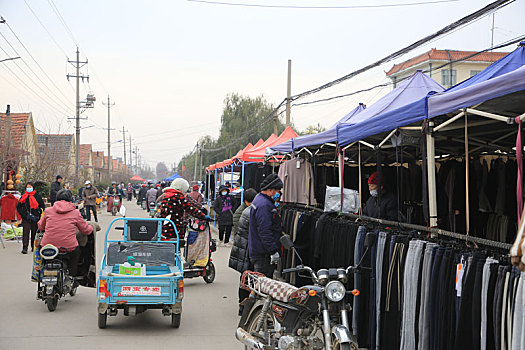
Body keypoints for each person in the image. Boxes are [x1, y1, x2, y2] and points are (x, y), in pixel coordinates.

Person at [38, 189, 93, 277]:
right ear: (71, 200)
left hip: (48, 246)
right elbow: (85, 230)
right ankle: (72, 276)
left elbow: (40, 226)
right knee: (76, 253)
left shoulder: (48, 211)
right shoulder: (75, 212)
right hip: (68, 247)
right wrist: (91, 227)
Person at [228, 188, 257, 315]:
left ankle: (244, 304)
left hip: (243, 247)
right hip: (244, 248)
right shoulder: (245, 212)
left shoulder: (243, 210)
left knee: (245, 277)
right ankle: (243, 304)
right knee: (246, 278)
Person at [248, 174, 284, 278]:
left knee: (259, 283)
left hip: (258, 250)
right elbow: (265, 231)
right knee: (263, 284)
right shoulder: (264, 205)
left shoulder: (259, 200)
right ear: (271, 190)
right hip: (263, 254)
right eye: (278, 191)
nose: (278, 194)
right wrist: (273, 251)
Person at [17, 182, 46, 254]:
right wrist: (23, 215)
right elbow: (19, 207)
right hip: (26, 218)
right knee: (25, 232)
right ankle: (25, 247)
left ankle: (33, 247)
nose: (29, 188)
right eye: (28, 187)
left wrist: (39, 214)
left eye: (30, 186)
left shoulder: (37, 196)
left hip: (35, 218)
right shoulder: (23, 197)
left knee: (34, 232)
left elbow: (42, 206)